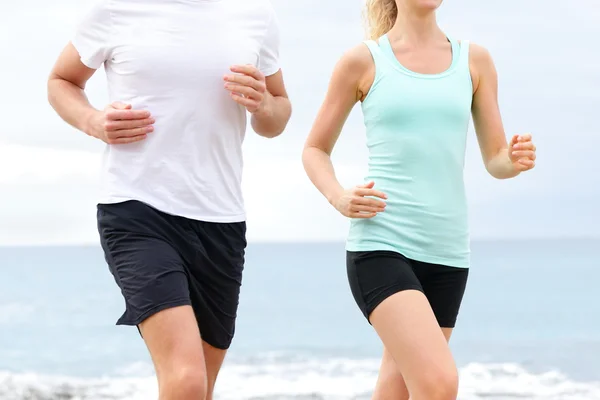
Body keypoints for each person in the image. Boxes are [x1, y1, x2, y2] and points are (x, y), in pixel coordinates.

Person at [47, 0, 291, 398]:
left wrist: (263, 105)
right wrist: (92, 121)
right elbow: (61, 80)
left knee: (200, 388)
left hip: (221, 220)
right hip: (136, 209)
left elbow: (278, 115)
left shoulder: (256, 15)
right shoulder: (113, 9)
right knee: (187, 379)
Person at [302, 0, 536, 399]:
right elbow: (314, 149)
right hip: (381, 244)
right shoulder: (363, 61)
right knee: (438, 383)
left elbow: (495, 159)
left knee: (396, 388)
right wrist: (339, 197)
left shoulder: (474, 61)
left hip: (447, 252)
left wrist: (512, 161)